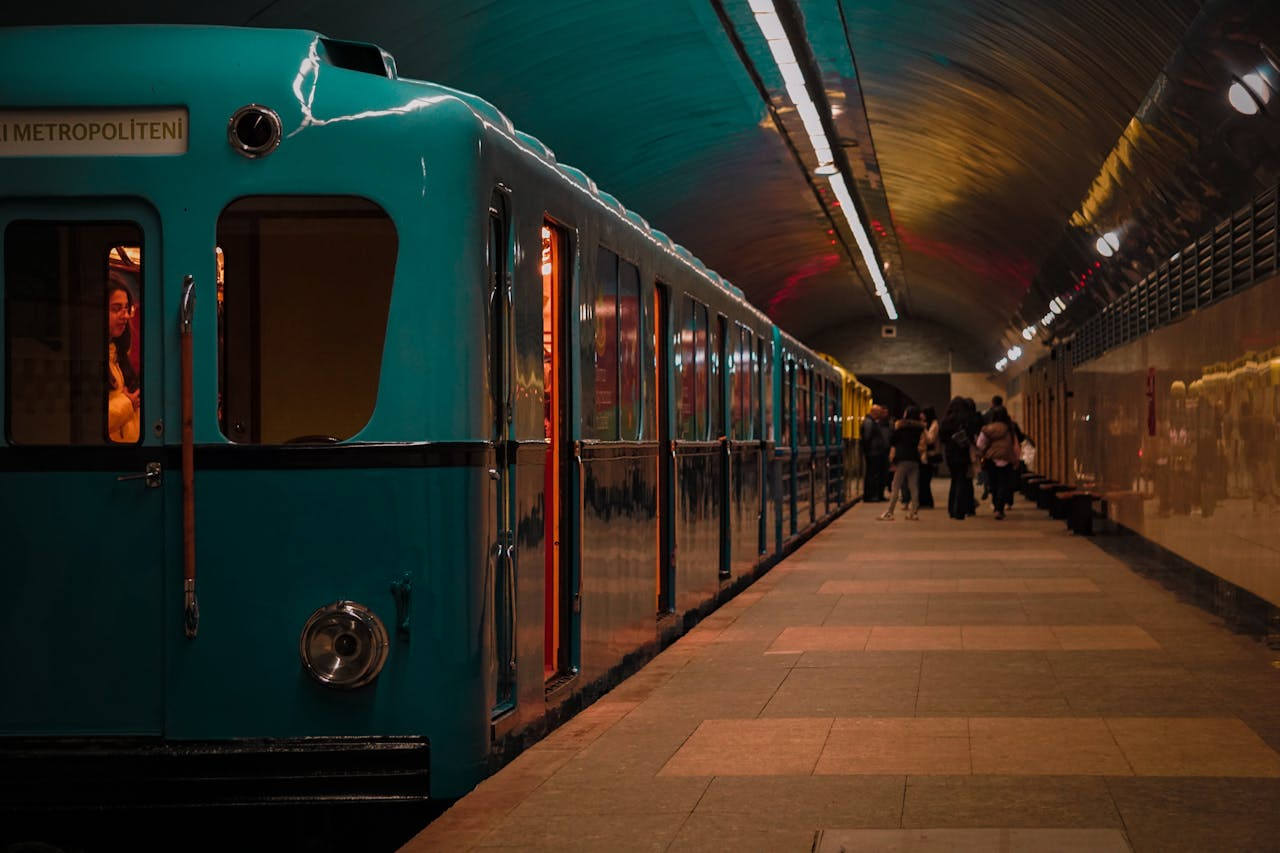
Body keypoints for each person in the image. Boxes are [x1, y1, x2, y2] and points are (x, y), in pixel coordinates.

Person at [107, 277, 141, 443]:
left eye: (127, 309)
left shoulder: (117, 355)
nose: (126, 316)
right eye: (116, 309)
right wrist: (127, 403)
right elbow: (89, 421)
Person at [880, 406, 926, 521]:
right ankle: (914, 512)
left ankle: (890, 512)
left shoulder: (900, 427)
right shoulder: (919, 429)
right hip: (915, 459)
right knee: (914, 486)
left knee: (895, 485)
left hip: (903, 459)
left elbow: (892, 441)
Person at [978, 406, 1020, 519]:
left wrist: (983, 452)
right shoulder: (1010, 428)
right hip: (1006, 458)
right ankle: (999, 509)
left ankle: (995, 504)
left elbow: (980, 444)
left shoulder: (987, 429)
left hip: (991, 459)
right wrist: (1016, 459)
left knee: (993, 483)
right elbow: (1015, 445)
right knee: (1003, 483)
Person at [939, 397, 974, 520]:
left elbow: (942, 438)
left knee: (954, 480)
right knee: (961, 481)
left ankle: (951, 509)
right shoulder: (965, 420)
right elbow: (971, 436)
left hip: (950, 453)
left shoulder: (945, 420)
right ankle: (959, 510)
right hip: (962, 452)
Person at [861, 405, 889, 502]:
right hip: (873, 453)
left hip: (874, 452)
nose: (881, 414)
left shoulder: (872, 422)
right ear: (875, 412)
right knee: (872, 475)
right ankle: (870, 496)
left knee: (874, 474)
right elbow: (867, 438)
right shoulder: (869, 422)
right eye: (879, 412)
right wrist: (869, 450)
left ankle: (874, 495)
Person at [918, 406, 940, 508]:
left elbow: (930, 439)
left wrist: (923, 428)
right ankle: (924, 501)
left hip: (930, 454)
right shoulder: (928, 424)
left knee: (925, 479)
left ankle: (927, 502)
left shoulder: (934, 425)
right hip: (924, 454)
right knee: (923, 479)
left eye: (923, 413)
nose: (921, 415)